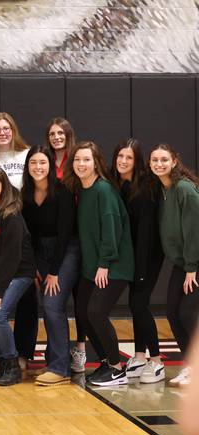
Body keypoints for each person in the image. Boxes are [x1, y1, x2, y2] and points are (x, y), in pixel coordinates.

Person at [65, 141, 134, 387]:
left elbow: (111, 229)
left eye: (86, 160)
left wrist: (104, 263)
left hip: (113, 265)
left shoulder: (104, 190)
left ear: (96, 163)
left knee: (96, 312)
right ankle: (106, 361)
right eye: (77, 160)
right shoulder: (82, 190)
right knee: (83, 313)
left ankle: (117, 368)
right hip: (92, 266)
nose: (81, 164)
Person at [20, 146, 80, 386]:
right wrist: (34, 265)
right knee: (46, 307)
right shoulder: (26, 193)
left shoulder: (62, 190)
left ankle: (60, 368)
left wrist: (54, 271)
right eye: (33, 163)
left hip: (66, 250)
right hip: (40, 253)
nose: (37, 167)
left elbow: (65, 234)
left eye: (42, 163)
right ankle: (53, 361)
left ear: (50, 165)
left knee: (53, 305)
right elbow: (29, 235)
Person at [110, 139, 165, 383]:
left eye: (129, 158)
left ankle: (156, 361)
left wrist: (140, 269)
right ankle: (140, 356)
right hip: (133, 255)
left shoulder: (144, 189)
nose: (123, 161)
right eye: (120, 156)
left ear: (137, 161)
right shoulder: (121, 184)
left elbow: (145, 233)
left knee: (140, 304)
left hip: (148, 255)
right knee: (135, 305)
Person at [0, 166, 35, 386]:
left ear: (4, 187)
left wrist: (0, 291)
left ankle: (12, 365)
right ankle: (1, 363)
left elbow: (11, 257)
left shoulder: (11, 215)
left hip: (18, 273)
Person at [150, 143, 199, 387]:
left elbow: (194, 231)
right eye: (154, 160)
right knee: (172, 313)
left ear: (174, 162)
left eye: (163, 160)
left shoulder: (184, 189)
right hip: (182, 263)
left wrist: (192, 267)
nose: (159, 164)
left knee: (187, 312)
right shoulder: (164, 189)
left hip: (195, 263)